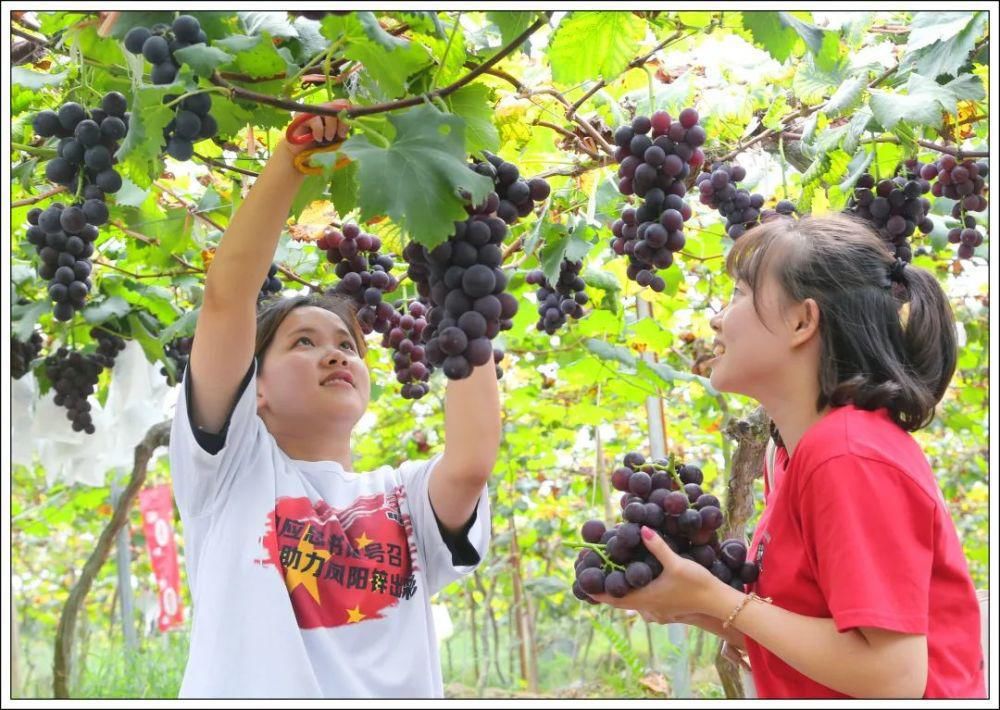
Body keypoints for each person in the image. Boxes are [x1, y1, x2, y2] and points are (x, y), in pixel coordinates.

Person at [168, 103, 499, 698]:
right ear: (255, 389)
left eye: (347, 344)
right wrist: (291, 161)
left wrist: (461, 277)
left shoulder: (402, 498)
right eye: (303, 342)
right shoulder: (229, 471)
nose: (336, 354)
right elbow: (226, 301)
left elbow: (472, 463)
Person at [592, 213, 985, 698]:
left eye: (738, 294)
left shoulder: (848, 455)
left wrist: (716, 597)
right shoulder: (795, 455)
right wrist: (695, 605)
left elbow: (894, 677)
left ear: (802, 321)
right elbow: (825, 641)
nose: (717, 318)